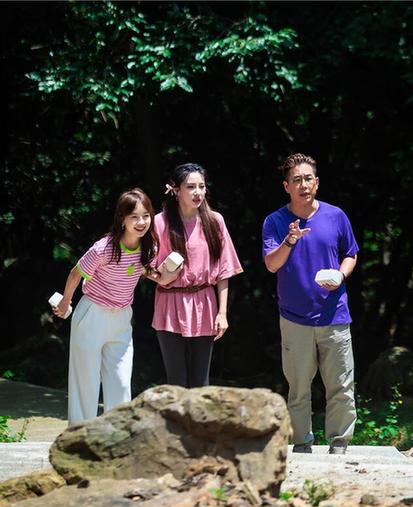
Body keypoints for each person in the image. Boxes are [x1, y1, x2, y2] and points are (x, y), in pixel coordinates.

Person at [53, 188, 179, 425]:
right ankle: (79, 437)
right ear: (122, 219)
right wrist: (65, 302)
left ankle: (118, 436)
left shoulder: (148, 248)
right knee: (86, 382)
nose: (141, 222)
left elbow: (159, 278)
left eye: (146, 216)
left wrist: (172, 272)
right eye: (134, 217)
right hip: (92, 314)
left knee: (121, 382)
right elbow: (75, 274)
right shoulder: (104, 248)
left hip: (121, 318)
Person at [262, 153, 359, 455]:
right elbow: (271, 265)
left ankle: (339, 443)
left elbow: (351, 253)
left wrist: (341, 276)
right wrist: (290, 240)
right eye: (296, 180)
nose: (303, 185)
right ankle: (301, 444)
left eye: (308, 179)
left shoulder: (336, 216)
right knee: (298, 389)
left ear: (316, 183)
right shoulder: (276, 221)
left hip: (335, 313)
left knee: (341, 385)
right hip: (294, 317)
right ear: (286, 186)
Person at [152, 163, 243, 388]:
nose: (198, 192)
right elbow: (145, 265)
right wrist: (160, 278)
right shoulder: (159, 222)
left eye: (201, 186)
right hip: (169, 302)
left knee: (201, 382)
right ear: (175, 190)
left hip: (204, 303)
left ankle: (199, 425)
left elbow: (224, 270)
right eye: (190, 187)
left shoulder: (215, 221)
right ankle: (176, 424)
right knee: (176, 382)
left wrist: (222, 313)